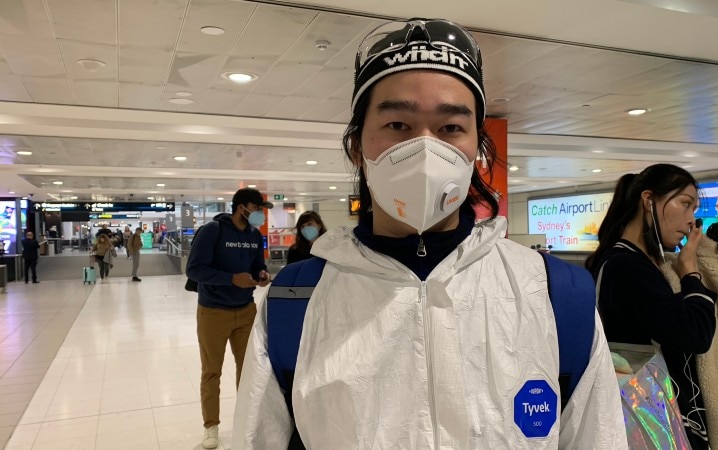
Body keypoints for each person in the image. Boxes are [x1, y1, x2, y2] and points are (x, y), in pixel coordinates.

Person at [234, 18, 625, 449]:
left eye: (450, 127)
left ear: (477, 146)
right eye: (398, 125)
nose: (425, 147)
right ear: (357, 147)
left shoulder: (555, 295)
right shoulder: (296, 303)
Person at [585, 164, 718, 449]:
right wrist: (690, 272)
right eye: (686, 204)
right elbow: (694, 335)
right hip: (650, 420)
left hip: (665, 413)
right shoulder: (625, 266)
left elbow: (687, 313)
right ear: (648, 200)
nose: (691, 220)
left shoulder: (647, 263)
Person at [186, 187, 272, 449]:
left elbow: (258, 264)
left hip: (246, 310)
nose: (260, 215)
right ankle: (211, 426)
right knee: (212, 371)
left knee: (248, 371)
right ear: (242, 207)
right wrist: (230, 279)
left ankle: (245, 421)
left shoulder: (254, 235)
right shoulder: (213, 230)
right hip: (213, 311)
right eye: (258, 209)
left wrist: (261, 274)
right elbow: (194, 268)